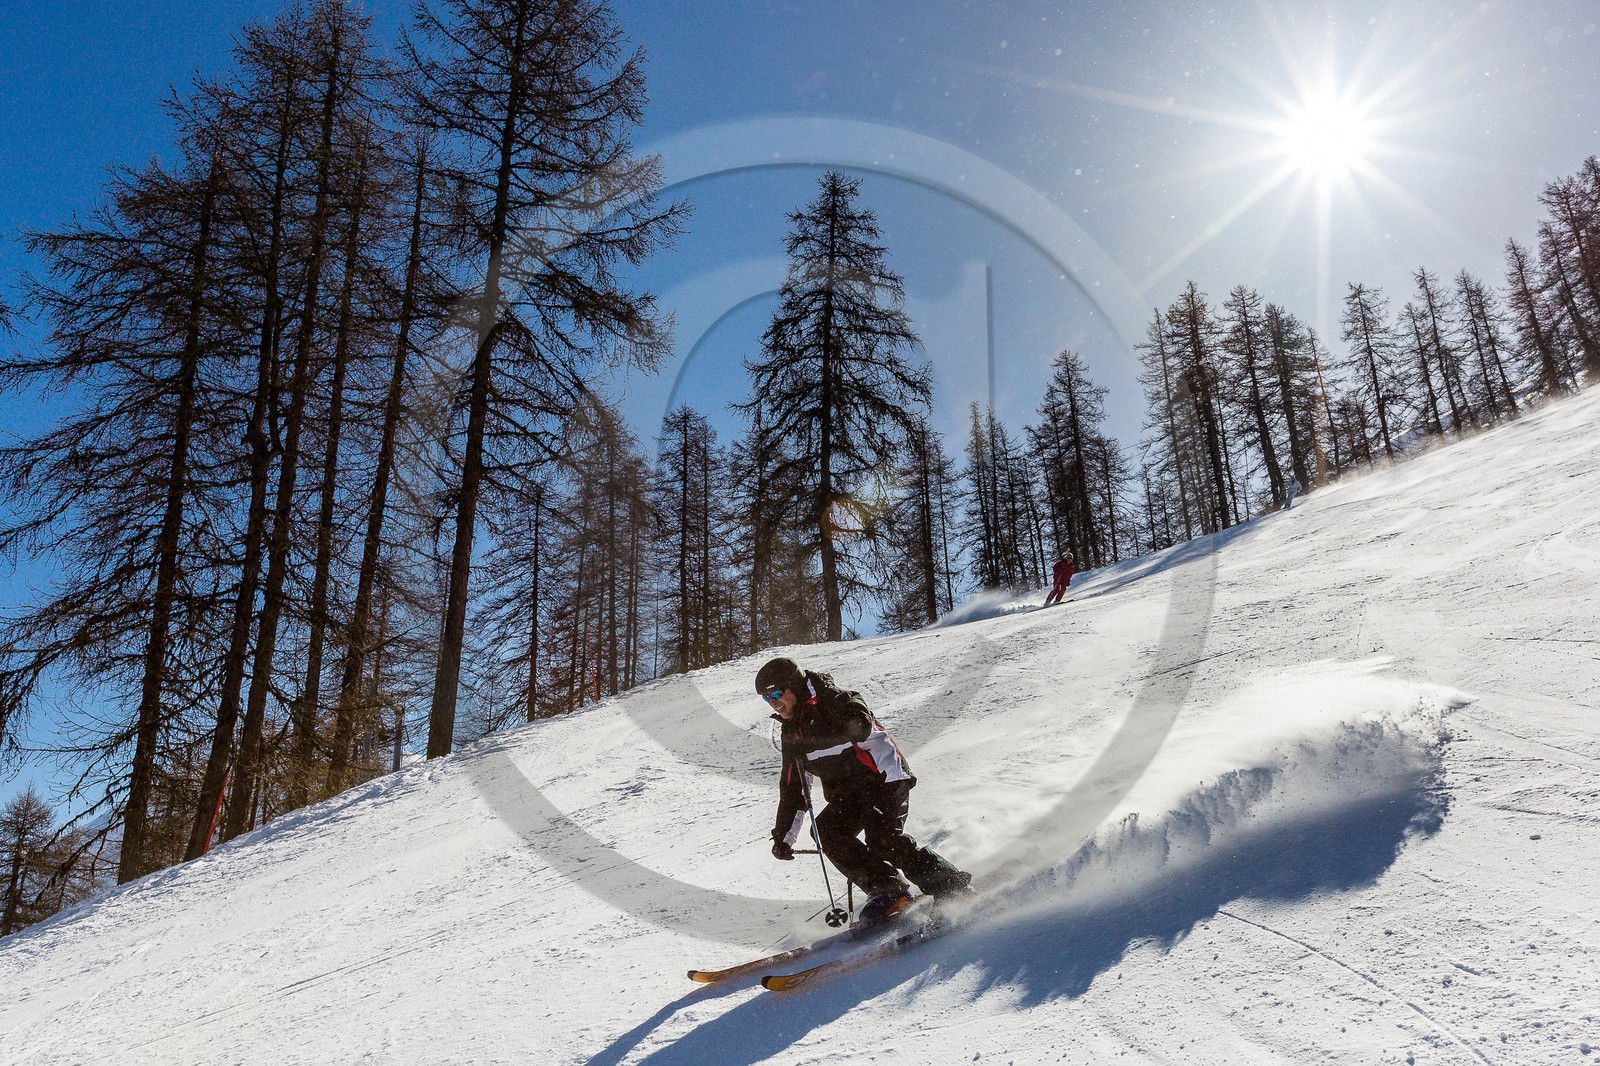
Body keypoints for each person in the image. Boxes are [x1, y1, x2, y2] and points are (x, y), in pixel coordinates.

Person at [758, 656, 972, 926]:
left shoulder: (835, 699)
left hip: (883, 779)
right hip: (849, 792)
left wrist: (824, 734)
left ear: (795, 687)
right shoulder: (792, 732)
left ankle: (952, 887)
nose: (774, 703)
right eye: (767, 699)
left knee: (883, 838)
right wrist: (784, 836)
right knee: (827, 830)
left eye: (777, 694)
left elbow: (860, 722)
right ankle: (888, 891)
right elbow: (793, 786)